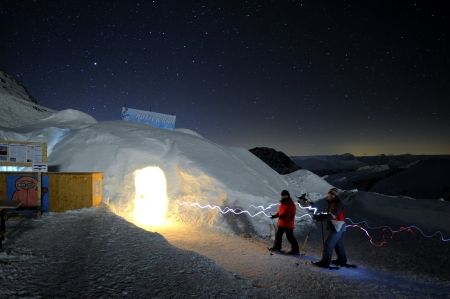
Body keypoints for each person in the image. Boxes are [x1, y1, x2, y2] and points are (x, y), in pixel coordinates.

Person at [314, 187, 347, 267]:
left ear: (334, 195)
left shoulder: (338, 203)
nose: (328, 196)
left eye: (329, 194)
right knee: (338, 244)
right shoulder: (332, 203)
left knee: (328, 244)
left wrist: (321, 217)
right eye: (328, 194)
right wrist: (321, 216)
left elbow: (332, 215)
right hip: (336, 226)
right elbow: (329, 214)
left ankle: (325, 262)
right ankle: (341, 260)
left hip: (338, 226)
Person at [269, 190, 299, 255]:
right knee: (278, 235)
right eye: (283, 195)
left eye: (285, 195)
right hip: (282, 223)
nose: (283, 196)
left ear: (288, 195)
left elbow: (291, 214)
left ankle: (296, 250)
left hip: (288, 224)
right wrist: (275, 215)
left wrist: (284, 217)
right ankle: (277, 247)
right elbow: (280, 212)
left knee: (290, 237)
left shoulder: (291, 204)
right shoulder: (283, 203)